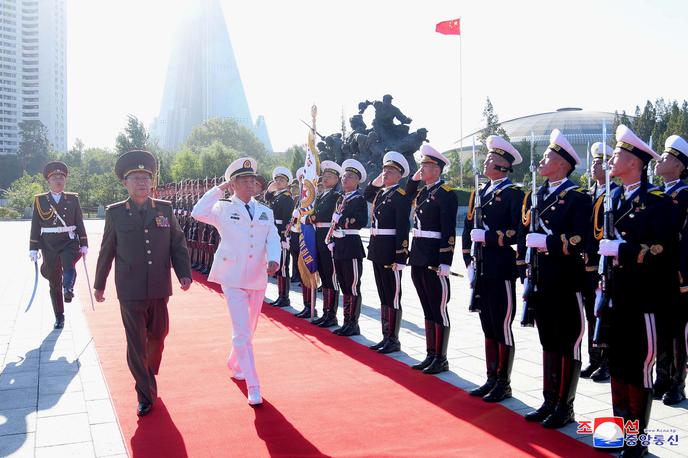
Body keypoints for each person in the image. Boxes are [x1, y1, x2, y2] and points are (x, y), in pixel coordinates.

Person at [93, 150, 192, 417]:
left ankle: (147, 371)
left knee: (158, 336)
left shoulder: (164, 209)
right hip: (130, 289)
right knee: (136, 343)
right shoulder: (115, 214)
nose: (142, 183)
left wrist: (184, 272)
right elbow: (106, 251)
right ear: (125, 183)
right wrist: (99, 284)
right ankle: (145, 393)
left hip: (159, 286)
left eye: (146, 178)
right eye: (136, 178)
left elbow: (177, 244)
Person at [597, 125, 676, 457]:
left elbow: (665, 247)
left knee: (637, 367)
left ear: (636, 162)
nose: (612, 160)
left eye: (618, 155)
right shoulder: (612, 197)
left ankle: (636, 439)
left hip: (642, 296)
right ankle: (616, 430)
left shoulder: (656, 201)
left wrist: (623, 250)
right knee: (616, 364)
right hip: (614, 294)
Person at [191, 157, 280, 406]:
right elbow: (198, 213)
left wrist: (274, 259)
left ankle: (234, 362)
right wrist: (219, 188)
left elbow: (272, 238)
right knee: (242, 331)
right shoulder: (222, 208)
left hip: (256, 276)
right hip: (232, 276)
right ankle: (253, 384)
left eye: (253, 180)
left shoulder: (265, 211)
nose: (251, 184)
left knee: (248, 330)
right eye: (245, 180)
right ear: (234, 183)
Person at [522, 129, 590, 429]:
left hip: (565, 280)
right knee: (548, 341)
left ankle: (566, 404)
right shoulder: (539, 194)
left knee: (566, 342)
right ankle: (549, 399)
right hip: (541, 279)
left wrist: (546, 243)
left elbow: (579, 238)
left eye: (548, 157)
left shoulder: (576, 197)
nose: (542, 161)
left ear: (562, 163)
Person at [463, 135, 524, 402]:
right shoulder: (479, 192)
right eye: (488, 158)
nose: (486, 162)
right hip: (482, 266)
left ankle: (503, 381)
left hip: (501, 267)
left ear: (503, 166)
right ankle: (490, 376)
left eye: (492, 159)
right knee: (487, 324)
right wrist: (468, 262)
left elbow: (517, 232)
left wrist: (488, 237)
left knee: (501, 324)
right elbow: (468, 229)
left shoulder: (514, 194)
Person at [406, 144, 459, 374]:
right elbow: (404, 197)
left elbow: (448, 230)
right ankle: (430, 353)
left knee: (438, 307)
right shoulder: (423, 192)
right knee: (427, 307)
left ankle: (441, 357)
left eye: (425, 166)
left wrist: (445, 260)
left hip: (434, 256)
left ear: (437, 169)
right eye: (422, 165)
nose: (422, 169)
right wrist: (413, 180)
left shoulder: (446, 194)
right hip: (418, 254)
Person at [29, 161, 88, 328]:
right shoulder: (40, 200)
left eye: (62, 177)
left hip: (68, 240)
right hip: (49, 244)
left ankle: (68, 288)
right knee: (54, 280)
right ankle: (59, 316)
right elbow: (35, 225)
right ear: (49, 181)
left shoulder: (72, 199)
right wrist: (33, 248)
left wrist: (84, 243)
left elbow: (79, 222)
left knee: (69, 264)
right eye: (55, 177)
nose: (59, 180)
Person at [363, 151, 411, 353]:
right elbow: (367, 194)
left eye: (390, 171)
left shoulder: (400, 196)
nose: (385, 174)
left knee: (392, 295)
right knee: (383, 294)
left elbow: (403, 228)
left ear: (399, 175)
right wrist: (377, 180)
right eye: (384, 170)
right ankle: (385, 336)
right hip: (377, 249)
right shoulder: (382, 193)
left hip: (391, 250)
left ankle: (394, 339)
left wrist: (401, 255)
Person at [652, 134, 688, 406]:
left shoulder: (684, 195)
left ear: (678, 166)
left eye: (665, 158)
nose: (658, 161)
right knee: (661, 328)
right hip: (657, 274)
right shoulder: (657, 195)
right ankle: (661, 376)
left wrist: (684, 273)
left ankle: (678, 382)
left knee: (678, 331)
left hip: (676, 274)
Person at [582, 142, 617, 382]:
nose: (594, 166)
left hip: (605, 264)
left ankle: (608, 361)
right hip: (586, 265)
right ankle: (594, 358)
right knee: (590, 313)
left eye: (599, 162)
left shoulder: (615, 193)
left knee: (605, 313)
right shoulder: (588, 194)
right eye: (593, 162)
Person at [327, 159, 368, 336]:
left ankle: (353, 323)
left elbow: (361, 221)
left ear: (358, 180)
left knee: (352, 285)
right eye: (344, 176)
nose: (345, 179)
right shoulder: (341, 199)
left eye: (350, 176)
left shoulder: (359, 199)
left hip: (351, 245)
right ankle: (346, 321)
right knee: (343, 284)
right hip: (339, 245)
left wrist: (342, 221)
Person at [310, 161, 343, 327]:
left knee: (331, 277)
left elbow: (324, 215)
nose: (325, 178)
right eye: (324, 175)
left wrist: (314, 217)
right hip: (319, 236)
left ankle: (332, 314)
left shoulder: (337, 196)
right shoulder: (322, 195)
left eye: (329, 176)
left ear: (337, 179)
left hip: (328, 237)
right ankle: (325, 312)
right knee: (324, 276)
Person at [265, 167, 294, 307]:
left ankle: (284, 297)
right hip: (274, 233)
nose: (278, 182)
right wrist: (270, 189)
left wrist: (284, 237)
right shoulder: (277, 196)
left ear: (287, 183)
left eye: (281, 180)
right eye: (276, 179)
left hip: (281, 234)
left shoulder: (287, 198)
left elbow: (287, 219)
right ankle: (280, 295)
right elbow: (267, 199)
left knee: (283, 267)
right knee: (279, 266)